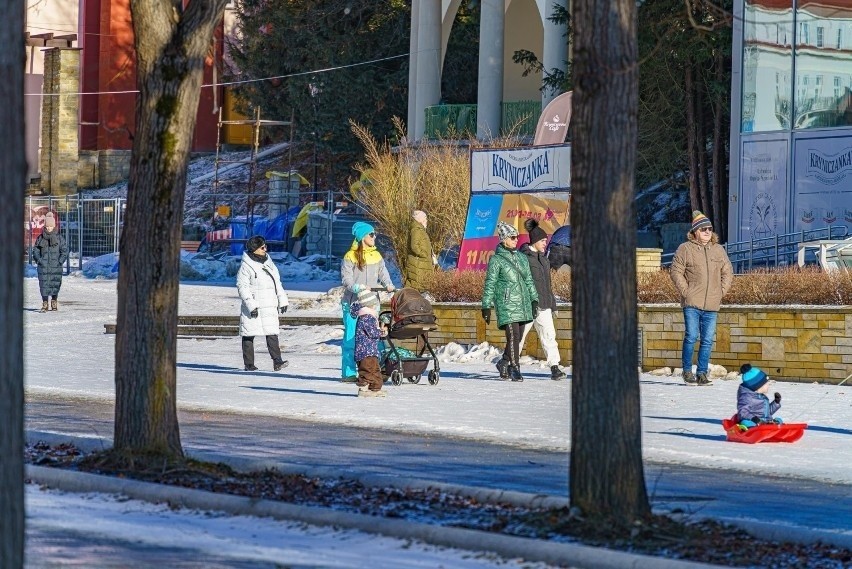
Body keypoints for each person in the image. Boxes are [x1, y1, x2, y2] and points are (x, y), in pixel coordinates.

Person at [670, 210, 733, 386]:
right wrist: (686, 291)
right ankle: (687, 371)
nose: (707, 231)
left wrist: (721, 292)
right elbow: (675, 271)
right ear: (695, 231)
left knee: (707, 339)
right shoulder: (685, 249)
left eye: (710, 228)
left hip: (712, 303)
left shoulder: (718, 250)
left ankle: (702, 373)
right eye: (703, 228)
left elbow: (727, 272)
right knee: (691, 336)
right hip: (692, 302)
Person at [481, 221, 539, 382]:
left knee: (518, 337)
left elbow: (529, 280)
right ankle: (515, 368)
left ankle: (503, 362)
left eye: (517, 237)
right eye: (512, 237)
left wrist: (534, 299)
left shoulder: (522, 257)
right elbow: (490, 284)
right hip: (506, 303)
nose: (516, 240)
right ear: (504, 239)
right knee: (513, 336)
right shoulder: (496, 260)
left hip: (523, 302)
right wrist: (486, 306)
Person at [340, 221, 395, 382]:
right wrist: (356, 287)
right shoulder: (350, 256)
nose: (374, 237)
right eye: (371, 234)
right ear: (362, 236)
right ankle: (349, 372)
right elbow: (346, 279)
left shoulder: (376, 255)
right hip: (353, 303)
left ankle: (376, 370)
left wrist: (388, 285)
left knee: (373, 337)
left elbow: (383, 273)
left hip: (371, 303)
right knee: (350, 338)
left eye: (374, 234)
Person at [518, 219, 566, 381]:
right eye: (543, 241)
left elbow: (547, 285)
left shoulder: (544, 260)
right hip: (527, 306)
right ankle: (511, 364)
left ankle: (554, 367)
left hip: (544, 305)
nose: (546, 243)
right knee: (519, 336)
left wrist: (553, 305)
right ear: (536, 241)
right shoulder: (523, 258)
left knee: (549, 336)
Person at [236, 235, 289, 371]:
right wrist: (251, 305)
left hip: (269, 304)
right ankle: (249, 364)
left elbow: (277, 283)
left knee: (272, 333)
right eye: (262, 247)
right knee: (248, 334)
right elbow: (243, 287)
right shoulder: (246, 267)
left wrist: (282, 300)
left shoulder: (269, 263)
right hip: (255, 305)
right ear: (254, 249)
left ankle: (277, 361)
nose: (266, 249)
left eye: (265, 246)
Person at [350, 289, 387, 397]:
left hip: (371, 350)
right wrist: (382, 331)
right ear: (370, 304)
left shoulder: (368, 316)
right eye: (374, 304)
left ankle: (375, 388)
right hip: (365, 351)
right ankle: (363, 389)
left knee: (375, 370)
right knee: (367, 370)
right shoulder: (367, 317)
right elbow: (372, 332)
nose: (375, 306)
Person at [33, 212, 68, 312]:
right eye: (47, 226)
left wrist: (60, 262)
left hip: (55, 266)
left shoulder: (59, 238)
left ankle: (54, 301)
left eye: (51, 226)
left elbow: (64, 251)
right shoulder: (40, 238)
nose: (49, 228)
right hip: (43, 266)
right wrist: (39, 260)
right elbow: (36, 251)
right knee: (43, 285)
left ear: (54, 226)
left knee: (55, 284)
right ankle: (45, 303)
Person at [404, 210, 438, 290]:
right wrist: (424, 254)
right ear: (419, 219)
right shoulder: (417, 230)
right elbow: (414, 246)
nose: (426, 220)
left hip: (422, 263)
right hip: (419, 263)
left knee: (418, 285)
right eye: (425, 218)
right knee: (416, 286)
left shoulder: (420, 230)